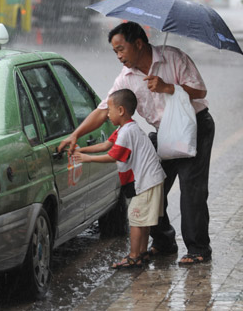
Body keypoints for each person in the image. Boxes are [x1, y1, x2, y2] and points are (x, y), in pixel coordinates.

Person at [59, 21, 215, 265]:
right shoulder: (127, 77)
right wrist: (75, 135)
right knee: (149, 186)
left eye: (121, 49)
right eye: (115, 52)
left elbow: (200, 90)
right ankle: (164, 242)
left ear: (139, 44)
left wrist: (168, 87)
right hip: (164, 132)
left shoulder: (173, 58)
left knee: (191, 191)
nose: (119, 56)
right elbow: (103, 110)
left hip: (194, 126)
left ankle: (198, 249)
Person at [73, 88, 166, 269]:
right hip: (151, 179)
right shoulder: (125, 128)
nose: (107, 115)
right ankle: (141, 254)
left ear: (121, 110)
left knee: (136, 219)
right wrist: (81, 150)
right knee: (143, 220)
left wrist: (86, 159)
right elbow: (106, 144)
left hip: (146, 181)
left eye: (109, 110)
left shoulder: (126, 133)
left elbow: (113, 155)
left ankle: (133, 256)